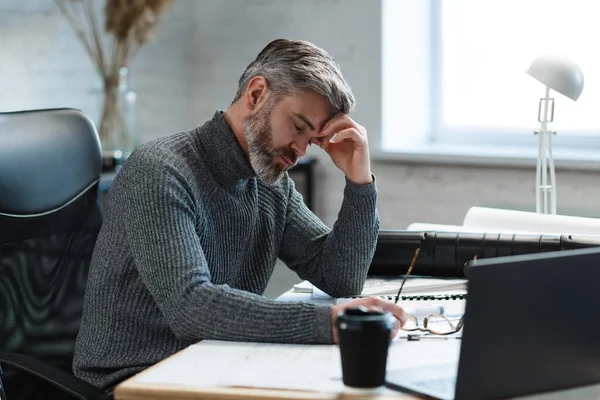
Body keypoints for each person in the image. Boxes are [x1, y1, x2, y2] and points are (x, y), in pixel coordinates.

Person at [73, 38, 406, 391]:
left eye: (313, 139)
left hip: (214, 368)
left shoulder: (270, 184)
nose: (300, 150)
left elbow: (340, 278)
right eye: (297, 126)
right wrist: (329, 324)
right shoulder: (159, 171)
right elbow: (191, 306)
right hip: (133, 384)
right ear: (257, 93)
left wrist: (359, 181)